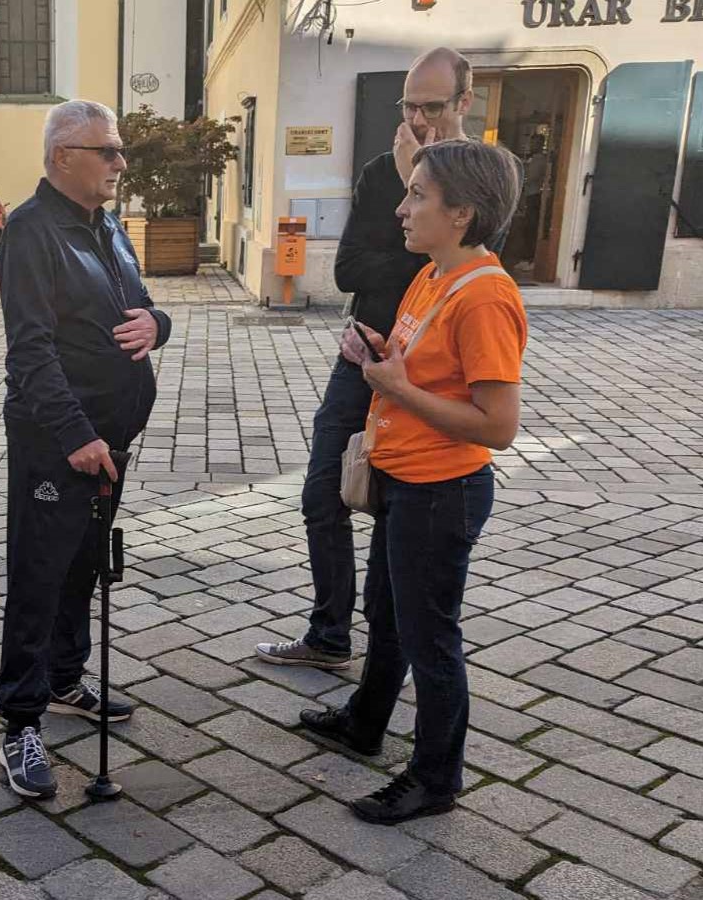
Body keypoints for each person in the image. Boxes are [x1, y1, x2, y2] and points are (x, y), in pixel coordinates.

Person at [300, 138, 527, 825]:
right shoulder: (434, 275)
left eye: (418, 195)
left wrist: (395, 386)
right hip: (404, 482)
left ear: (461, 213)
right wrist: (377, 356)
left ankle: (435, 778)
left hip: (441, 492)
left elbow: (497, 425)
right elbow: (420, 364)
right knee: (388, 613)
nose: (401, 209)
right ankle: (365, 721)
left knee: (430, 639)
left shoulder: (484, 296)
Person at [256, 48, 482, 670]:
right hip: (362, 358)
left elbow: (464, 268)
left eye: (431, 107)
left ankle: (388, 654)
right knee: (322, 494)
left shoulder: (488, 174)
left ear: (465, 101)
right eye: (408, 106)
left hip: (429, 375)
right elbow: (349, 268)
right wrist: (409, 206)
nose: (417, 119)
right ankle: (329, 633)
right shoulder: (381, 171)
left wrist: (420, 180)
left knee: (395, 508)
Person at [0, 99, 172, 799]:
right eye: (108, 151)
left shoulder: (109, 227)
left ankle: (65, 680)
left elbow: (142, 306)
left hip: (111, 441)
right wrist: (75, 435)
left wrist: (158, 323)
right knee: (39, 577)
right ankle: (20, 722)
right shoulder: (30, 231)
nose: (120, 163)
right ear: (63, 157)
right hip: (58, 441)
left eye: (120, 150)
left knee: (84, 566)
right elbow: (29, 351)